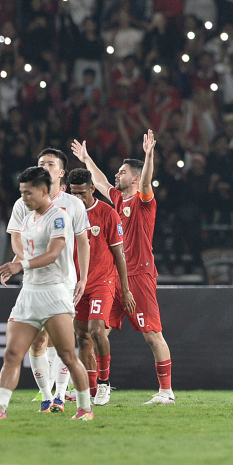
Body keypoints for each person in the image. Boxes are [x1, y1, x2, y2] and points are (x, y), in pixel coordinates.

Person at [0, 167, 94, 420]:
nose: (24, 197)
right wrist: (15, 264)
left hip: (53, 294)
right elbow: (28, 249)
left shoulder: (57, 217)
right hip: (29, 293)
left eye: (28, 193)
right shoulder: (28, 218)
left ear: (43, 191)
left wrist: (20, 264)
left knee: (69, 356)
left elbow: (53, 253)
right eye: (21, 192)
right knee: (12, 353)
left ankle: (84, 409)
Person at [71, 130, 175, 405]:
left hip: (139, 276)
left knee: (152, 335)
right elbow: (101, 182)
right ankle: (92, 387)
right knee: (95, 334)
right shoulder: (117, 200)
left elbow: (148, 179)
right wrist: (86, 159)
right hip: (114, 278)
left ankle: (166, 392)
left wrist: (149, 155)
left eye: (123, 171)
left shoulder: (144, 201)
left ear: (137, 178)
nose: (117, 175)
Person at [5, 149, 90, 413]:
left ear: (61, 172)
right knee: (38, 341)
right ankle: (45, 396)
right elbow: (16, 238)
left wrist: (83, 276)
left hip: (63, 281)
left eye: (50, 164)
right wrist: (26, 261)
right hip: (33, 281)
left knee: (61, 342)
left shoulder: (72, 204)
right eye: (41, 163)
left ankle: (60, 396)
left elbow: (84, 242)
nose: (44, 166)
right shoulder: (23, 203)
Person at [68, 168, 136, 406]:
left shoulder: (107, 213)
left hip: (102, 282)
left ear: (92, 189)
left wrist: (125, 290)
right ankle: (92, 388)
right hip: (76, 285)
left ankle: (105, 384)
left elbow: (120, 255)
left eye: (82, 193)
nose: (77, 198)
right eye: (73, 193)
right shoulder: (64, 214)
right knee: (82, 337)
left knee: (97, 331)